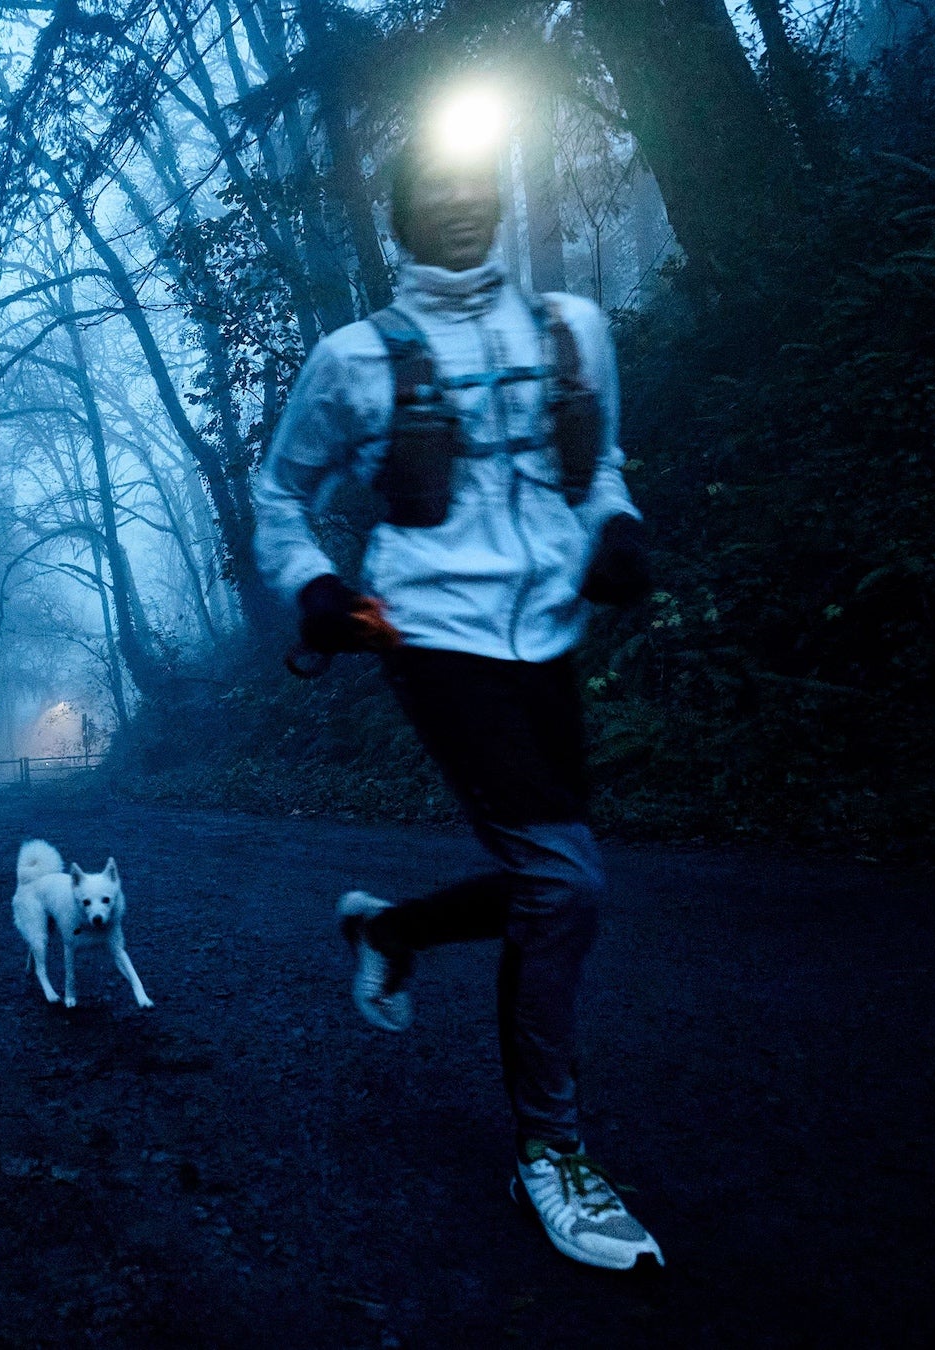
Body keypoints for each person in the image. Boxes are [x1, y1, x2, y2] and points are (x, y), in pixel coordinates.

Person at [250, 103, 662, 1271]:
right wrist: (318, 587)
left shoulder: (574, 330)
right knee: (568, 884)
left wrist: (617, 525)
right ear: (399, 218)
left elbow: (604, 463)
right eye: (432, 186)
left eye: (476, 178)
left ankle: (391, 927)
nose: (459, 199)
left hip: (552, 631)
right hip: (430, 632)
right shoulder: (352, 362)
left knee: (550, 880)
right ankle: (553, 1152)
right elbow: (279, 493)